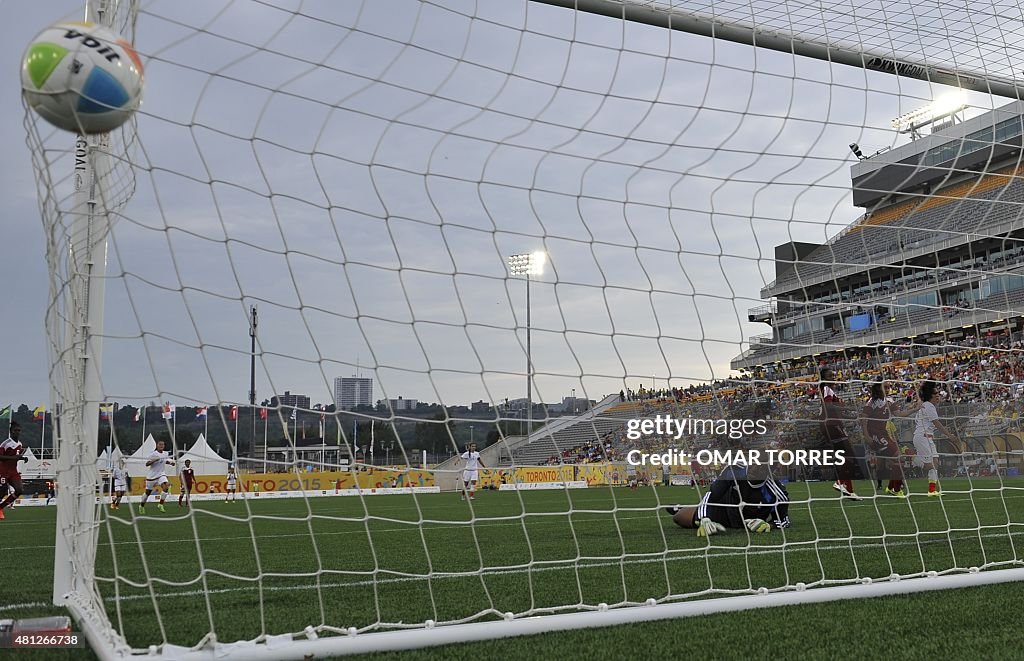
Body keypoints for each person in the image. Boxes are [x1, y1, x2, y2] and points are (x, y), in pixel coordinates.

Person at [665, 463, 790, 536]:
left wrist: (770, 525)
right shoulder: (734, 471)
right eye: (752, 463)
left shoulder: (777, 490)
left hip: (748, 522)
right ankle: (681, 508)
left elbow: (784, 520)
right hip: (724, 509)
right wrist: (704, 518)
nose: (753, 468)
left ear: (769, 471)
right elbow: (711, 495)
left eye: (760, 467)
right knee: (678, 517)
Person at [861, 381, 919, 498]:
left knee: (896, 460)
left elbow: (899, 413)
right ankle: (895, 489)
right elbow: (863, 420)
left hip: (885, 434)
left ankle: (892, 487)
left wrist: (914, 409)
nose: (888, 389)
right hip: (876, 434)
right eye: (885, 387)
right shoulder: (872, 403)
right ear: (879, 388)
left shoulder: (889, 401)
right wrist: (867, 436)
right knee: (897, 458)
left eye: (889, 387)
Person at [819, 368, 862, 500]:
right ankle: (840, 482)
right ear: (824, 378)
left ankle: (848, 489)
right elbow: (829, 407)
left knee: (846, 456)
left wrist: (852, 416)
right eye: (829, 375)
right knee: (848, 454)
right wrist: (848, 408)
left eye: (833, 374)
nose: (833, 377)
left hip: (832, 424)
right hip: (831, 425)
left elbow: (836, 410)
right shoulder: (826, 389)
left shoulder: (829, 390)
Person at [914, 381, 960, 497]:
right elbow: (937, 423)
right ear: (930, 395)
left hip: (927, 437)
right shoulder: (929, 406)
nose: (938, 395)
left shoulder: (925, 405)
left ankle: (932, 490)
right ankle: (912, 459)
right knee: (931, 464)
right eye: (936, 393)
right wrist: (949, 435)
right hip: (922, 437)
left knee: (936, 464)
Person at [0, 422, 27, 520]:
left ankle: (0, 508)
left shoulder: (20, 444)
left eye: (19, 431)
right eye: (15, 430)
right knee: (2, 492)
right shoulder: (5, 443)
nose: (17, 432)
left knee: (19, 490)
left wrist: (22, 458)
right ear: (11, 431)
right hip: (3, 471)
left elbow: (16, 457)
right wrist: (13, 457)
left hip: (13, 472)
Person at [140, 440, 175, 514]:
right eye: (160, 444)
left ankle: (160, 504)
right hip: (151, 476)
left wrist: (171, 463)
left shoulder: (165, 453)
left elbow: (164, 461)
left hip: (161, 474)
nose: (161, 446)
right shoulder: (153, 454)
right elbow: (147, 464)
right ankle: (141, 506)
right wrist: (154, 460)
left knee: (166, 488)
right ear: (157, 445)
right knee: (147, 493)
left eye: (163, 444)